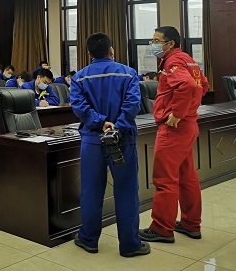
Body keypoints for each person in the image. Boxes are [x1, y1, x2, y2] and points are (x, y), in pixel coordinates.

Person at [70, 32, 149, 258]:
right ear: (111, 50)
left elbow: (79, 106)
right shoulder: (128, 73)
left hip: (92, 141)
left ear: (89, 53)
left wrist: (100, 122)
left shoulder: (79, 78)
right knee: (126, 191)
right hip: (122, 140)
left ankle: (88, 240)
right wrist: (117, 126)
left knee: (91, 191)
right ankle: (130, 245)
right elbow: (133, 104)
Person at [139, 26, 208, 244]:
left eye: (156, 41)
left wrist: (177, 113)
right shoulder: (187, 59)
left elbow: (186, 85)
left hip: (174, 129)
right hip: (188, 126)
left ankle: (162, 228)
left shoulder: (173, 61)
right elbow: (203, 85)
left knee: (165, 179)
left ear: (169, 44)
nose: (153, 45)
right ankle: (191, 224)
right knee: (187, 177)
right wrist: (189, 109)